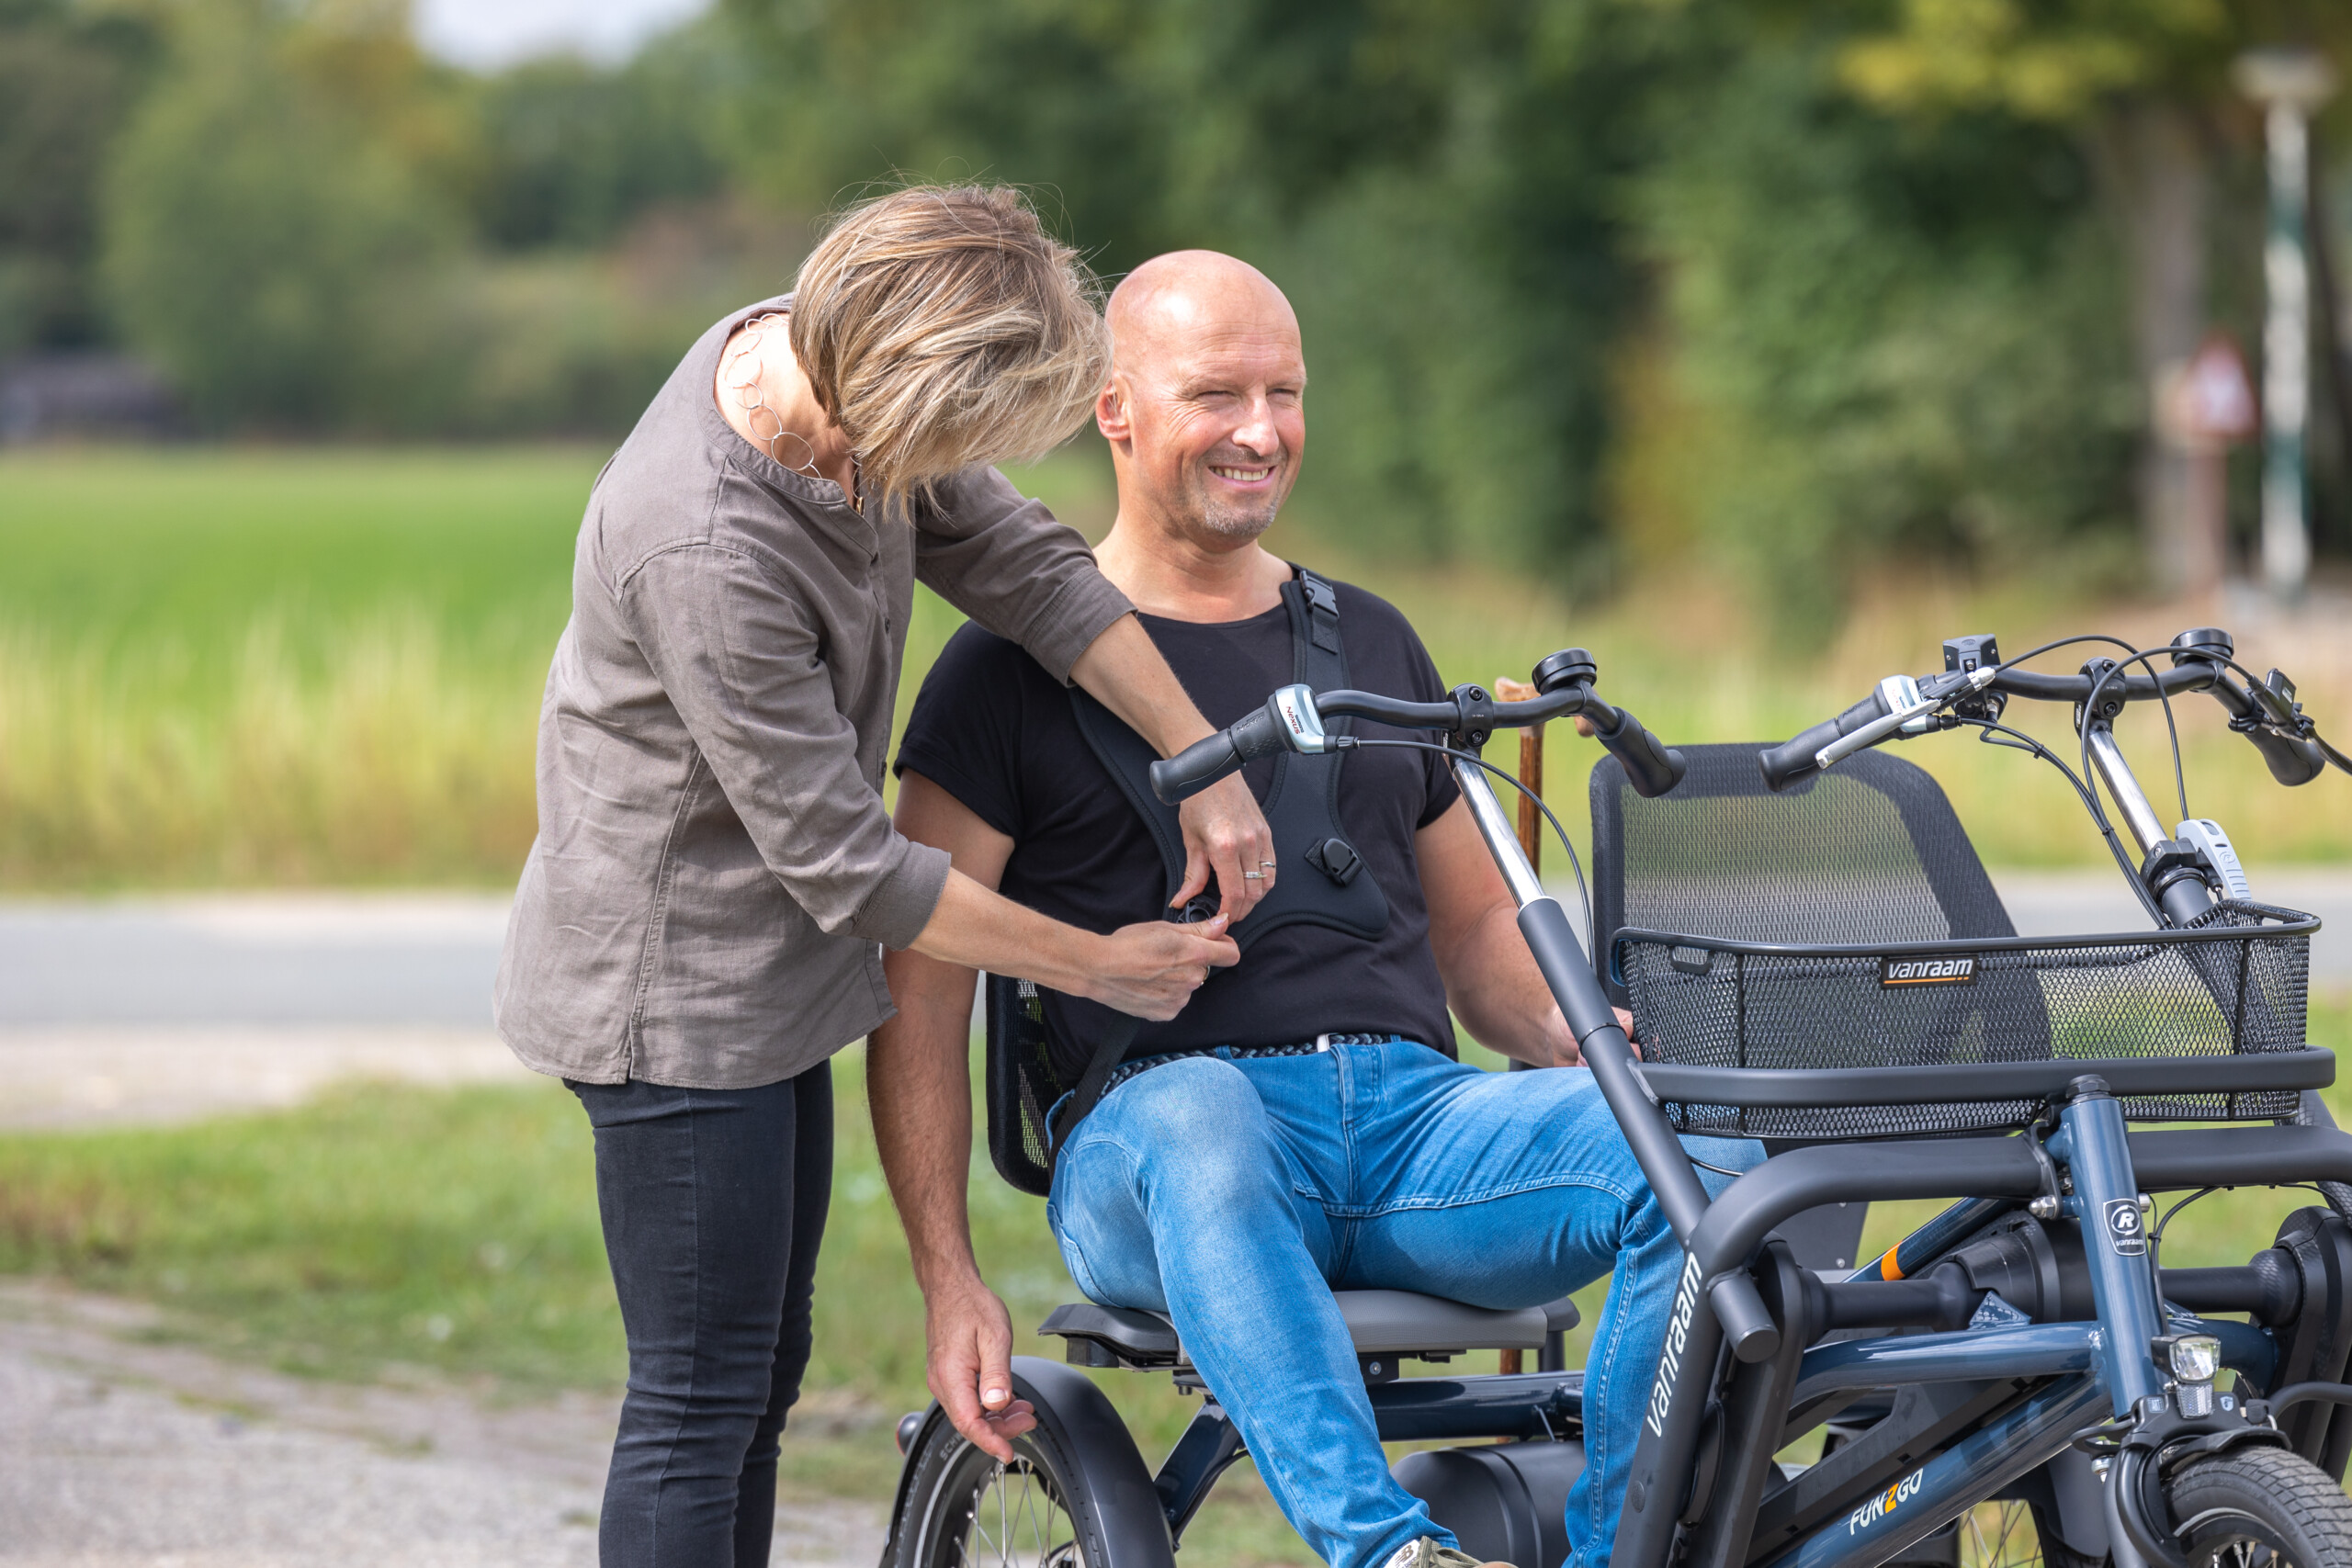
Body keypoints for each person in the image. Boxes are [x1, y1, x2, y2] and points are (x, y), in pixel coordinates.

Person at [873, 250, 1747, 1568]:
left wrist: (1584, 1039)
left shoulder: (1374, 640)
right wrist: (949, 1277)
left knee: (1704, 1169)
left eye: (1285, 393)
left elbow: (1474, 943)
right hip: (1156, 1145)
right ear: (1113, 409)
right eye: (1216, 393)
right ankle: (1388, 1553)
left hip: (1409, 1126)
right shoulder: (1000, 672)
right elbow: (920, 980)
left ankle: (1622, 1551)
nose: (1262, 431)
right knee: (1203, 1115)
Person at [492, 188, 1280, 1568]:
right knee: (697, 1398)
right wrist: (1097, 961)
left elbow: (1029, 569)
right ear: (912, 388)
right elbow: (852, 865)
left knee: (759, 1371)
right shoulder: (707, 543)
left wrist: (1198, 759)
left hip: (776, 955)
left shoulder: (842, 371)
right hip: (671, 994)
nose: (974, 465)